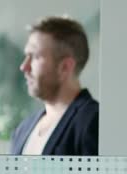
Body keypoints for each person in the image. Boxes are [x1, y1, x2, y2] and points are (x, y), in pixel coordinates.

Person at [11, 16, 98, 155]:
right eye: (26, 56)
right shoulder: (23, 128)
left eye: (35, 57)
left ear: (65, 67)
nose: (24, 66)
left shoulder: (91, 122)